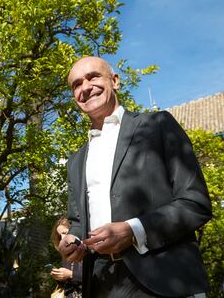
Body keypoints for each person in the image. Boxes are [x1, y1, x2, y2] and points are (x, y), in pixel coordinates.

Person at [58, 56, 212, 298]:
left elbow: (196, 203)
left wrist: (132, 231)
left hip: (163, 280)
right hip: (101, 283)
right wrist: (72, 240)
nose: (85, 87)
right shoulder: (76, 161)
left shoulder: (158, 125)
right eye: (76, 84)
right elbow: (77, 221)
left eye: (93, 77)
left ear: (115, 81)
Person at [50, 217, 83, 298]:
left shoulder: (86, 249)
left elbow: (97, 277)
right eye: (59, 235)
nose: (62, 238)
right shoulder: (66, 253)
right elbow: (67, 283)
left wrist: (71, 275)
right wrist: (59, 277)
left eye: (65, 233)